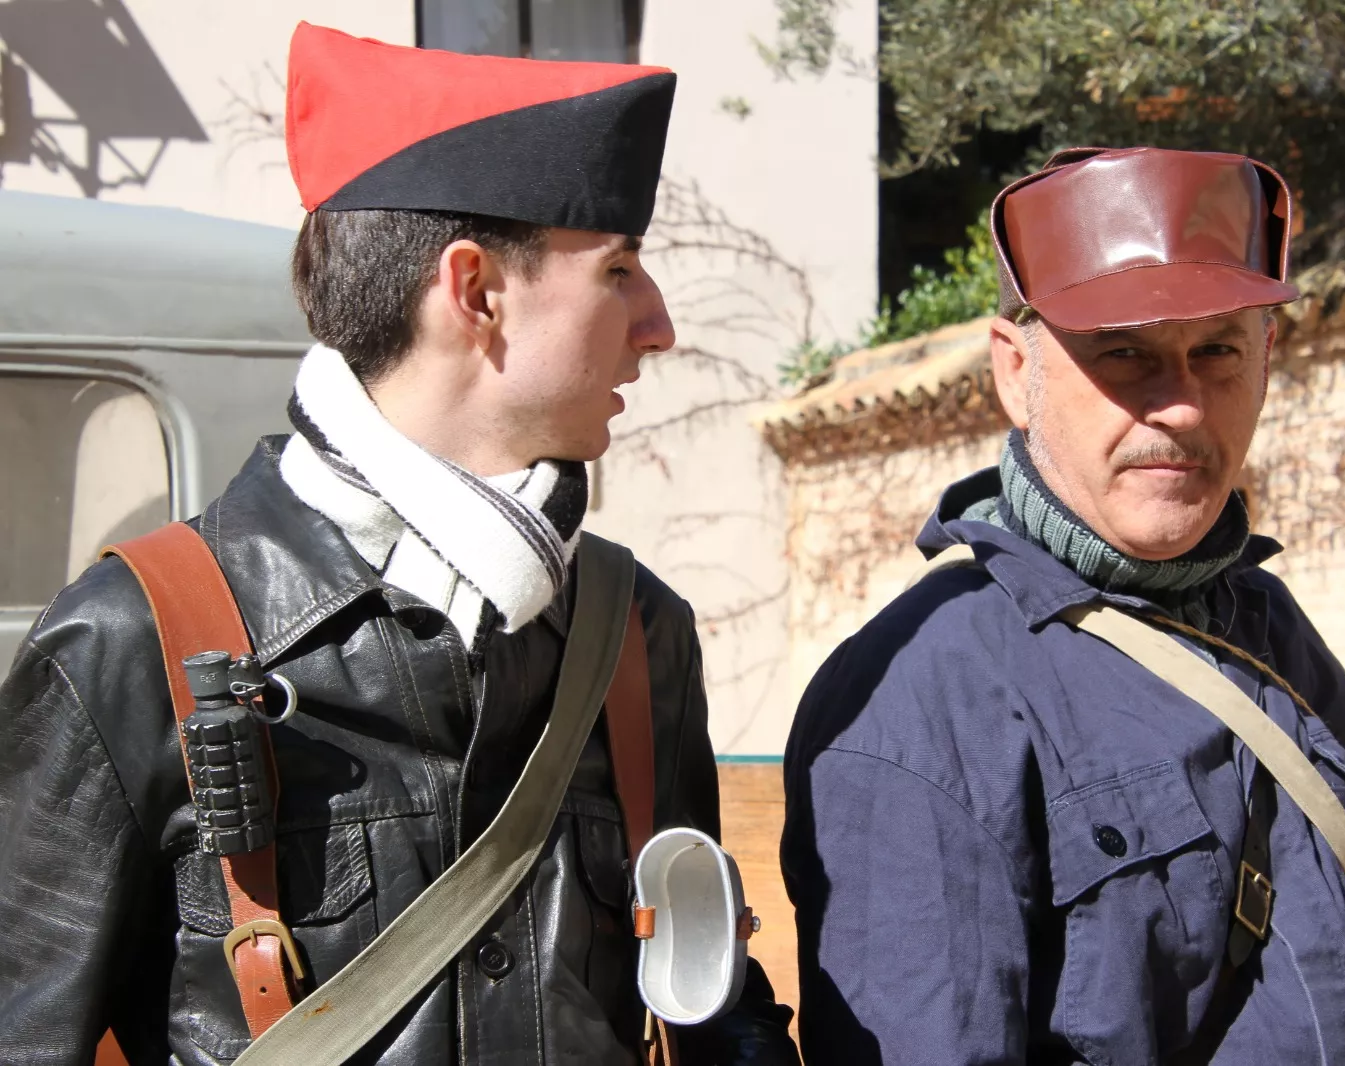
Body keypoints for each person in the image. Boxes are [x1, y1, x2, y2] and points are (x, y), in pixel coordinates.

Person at [0, 24, 798, 1065]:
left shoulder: (636, 633)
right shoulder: (129, 643)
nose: (658, 324)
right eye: (618, 270)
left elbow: (710, 1006)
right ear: (474, 292)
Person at [781, 146, 1345, 1064]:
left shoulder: (1265, 625)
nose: (1179, 406)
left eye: (1216, 350)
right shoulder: (927, 702)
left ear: (1267, 358)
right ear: (1016, 371)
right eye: (1123, 354)